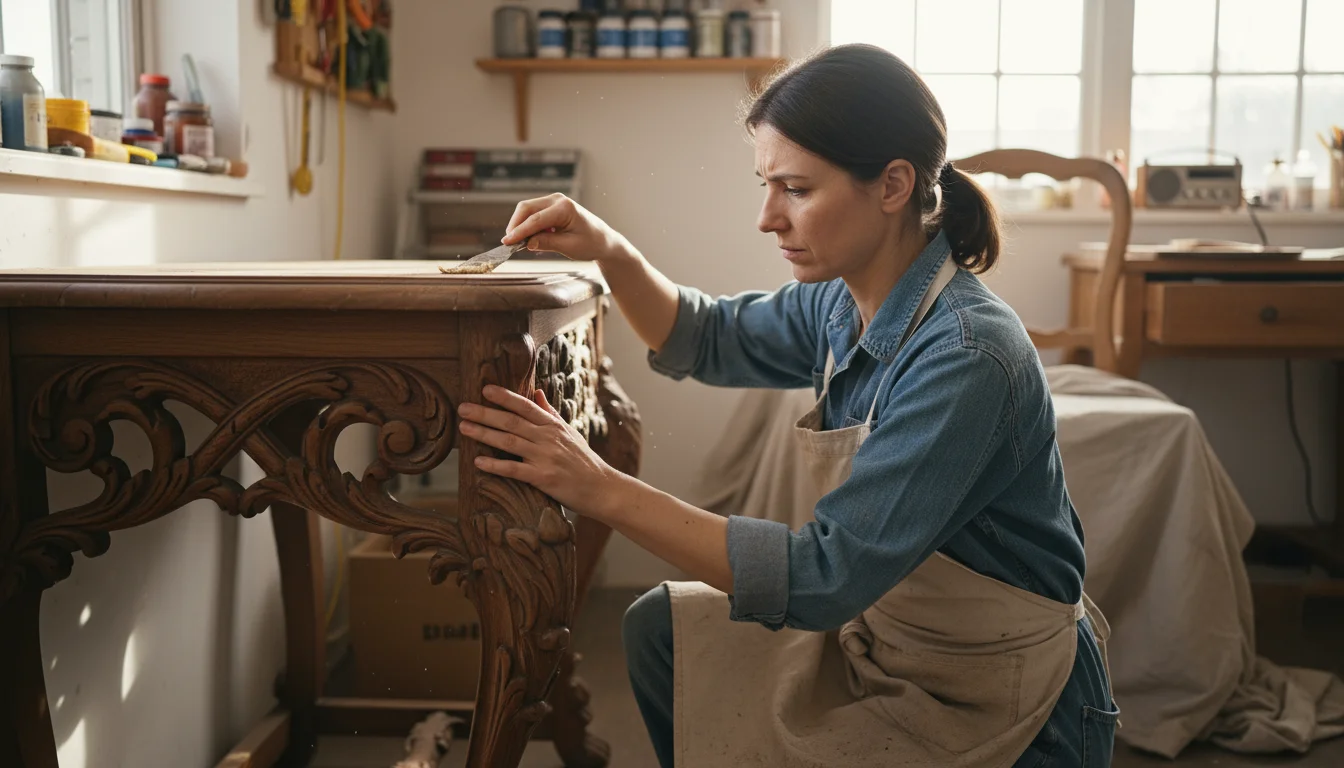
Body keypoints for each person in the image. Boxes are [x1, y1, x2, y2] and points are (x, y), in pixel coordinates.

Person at [454, 44, 1117, 768]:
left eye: (796, 189)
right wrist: (609, 250)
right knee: (663, 631)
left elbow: (824, 578)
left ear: (893, 184)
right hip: (891, 643)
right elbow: (703, 336)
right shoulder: (840, 302)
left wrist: (596, 486)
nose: (768, 218)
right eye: (767, 184)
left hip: (1010, 699)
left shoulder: (965, 355)